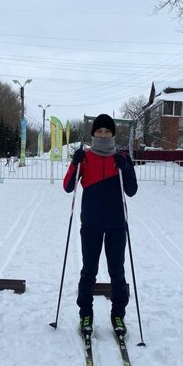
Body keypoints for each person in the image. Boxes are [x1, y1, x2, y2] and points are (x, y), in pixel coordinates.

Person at [62, 114, 138, 337]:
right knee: (89, 271)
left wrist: (125, 167)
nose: (103, 135)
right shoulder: (85, 157)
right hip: (92, 222)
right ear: (93, 133)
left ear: (113, 134)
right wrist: (75, 162)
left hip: (116, 223)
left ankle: (118, 314)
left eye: (107, 131)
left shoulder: (121, 157)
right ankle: (86, 313)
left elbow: (131, 190)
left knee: (117, 271)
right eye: (99, 131)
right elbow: (68, 186)